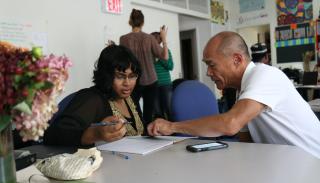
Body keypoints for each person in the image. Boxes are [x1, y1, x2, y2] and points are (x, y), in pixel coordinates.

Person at [148, 31, 320, 158]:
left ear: (237, 60)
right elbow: (245, 141)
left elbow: (230, 124)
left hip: (312, 164)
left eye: (212, 65)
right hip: (288, 163)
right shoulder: (244, 91)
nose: (208, 72)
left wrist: (172, 127)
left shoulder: (264, 75)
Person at [44, 45, 146, 146]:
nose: (127, 83)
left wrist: (156, 125)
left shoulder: (130, 97)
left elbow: (139, 134)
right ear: (107, 76)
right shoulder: (92, 98)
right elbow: (53, 135)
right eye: (120, 76)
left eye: (132, 76)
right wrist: (94, 134)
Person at [120, 8, 168, 124]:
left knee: (135, 112)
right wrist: (164, 38)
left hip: (133, 81)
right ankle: (147, 135)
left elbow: (122, 60)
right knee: (148, 113)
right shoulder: (149, 38)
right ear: (142, 23)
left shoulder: (123, 39)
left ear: (130, 22)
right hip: (151, 80)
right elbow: (165, 56)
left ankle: (139, 134)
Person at [151, 31, 174, 120]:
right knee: (157, 113)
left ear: (159, 41)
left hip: (166, 85)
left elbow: (170, 66)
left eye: (153, 40)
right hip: (153, 85)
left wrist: (160, 58)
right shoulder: (148, 53)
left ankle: (174, 131)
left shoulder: (166, 51)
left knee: (169, 110)